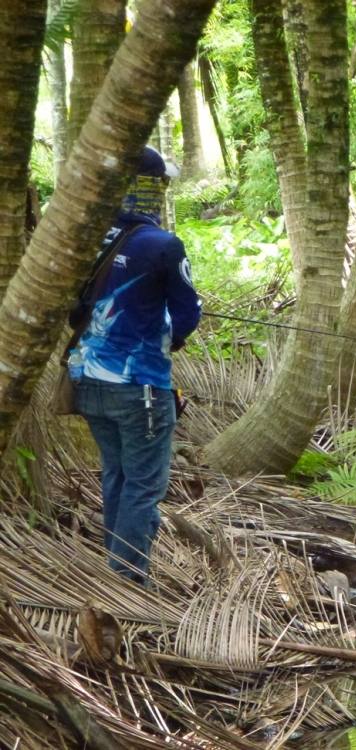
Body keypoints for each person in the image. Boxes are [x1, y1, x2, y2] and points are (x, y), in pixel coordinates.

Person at [69, 146, 201, 584]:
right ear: (149, 188)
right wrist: (170, 338)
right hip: (141, 387)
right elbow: (186, 316)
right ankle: (127, 580)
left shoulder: (85, 236)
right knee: (143, 487)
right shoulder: (163, 245)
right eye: (160, 183)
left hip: (87, 383)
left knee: (117, 475)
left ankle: (117, 570)